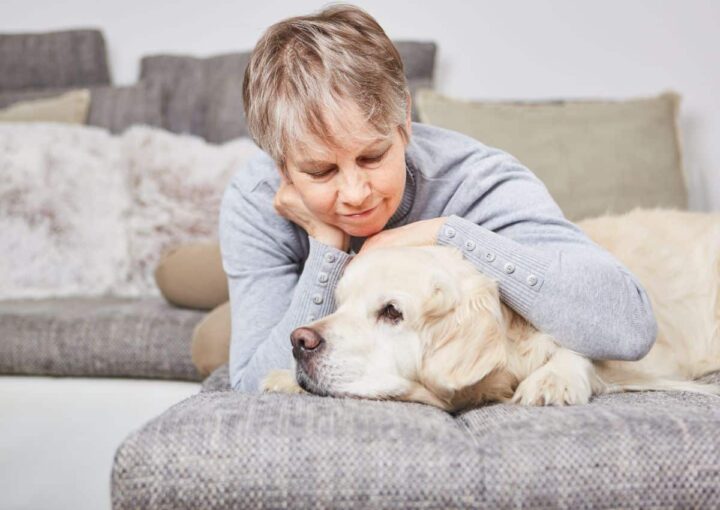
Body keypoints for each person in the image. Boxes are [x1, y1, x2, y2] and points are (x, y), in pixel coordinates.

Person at [176, 4, 658, 391]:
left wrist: (444, 233)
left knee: (208, 340)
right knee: (198, 317)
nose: (355, 194)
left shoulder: (480, 179)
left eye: (371, 158)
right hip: (307, 272)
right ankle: (189, 267)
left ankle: (209, 272)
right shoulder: (257, 196)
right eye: (321, 171)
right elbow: (252, 381)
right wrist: (327, 246)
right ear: (281, 166)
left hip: (343, 315)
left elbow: (629, 326)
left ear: (404, 122)